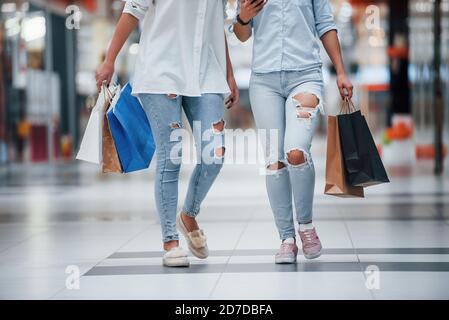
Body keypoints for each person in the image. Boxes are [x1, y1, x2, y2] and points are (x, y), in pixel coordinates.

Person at [96, 0, 239, 267]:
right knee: (171, 156)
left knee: (214, 154)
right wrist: (109, 59)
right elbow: (131, 11)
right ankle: (170, 242)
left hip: (206, 74)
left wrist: (229, 74)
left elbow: (214, 28)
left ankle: (188, 214)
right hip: (162, 73)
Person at [233, 0, 353, 263]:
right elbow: (241, 34)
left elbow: (325, 25)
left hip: (305, 75)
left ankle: (306, 226)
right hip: (264, 80)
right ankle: (286, 239)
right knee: (274, 161)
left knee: (296, 151)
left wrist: (341, 71)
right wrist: (243, 18)